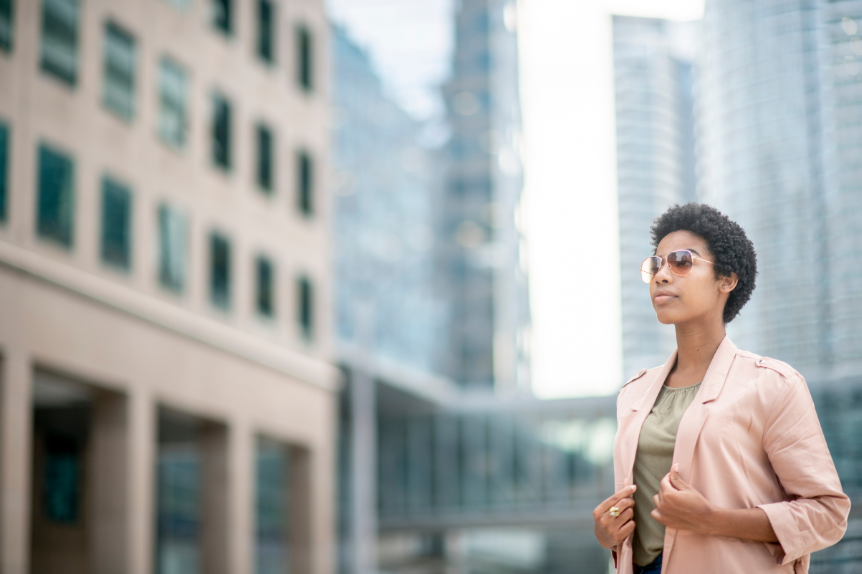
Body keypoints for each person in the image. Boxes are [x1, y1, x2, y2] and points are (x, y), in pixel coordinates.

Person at [593, 203, 850, 573]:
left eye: (681, 261)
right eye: (655, 265)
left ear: (726, 279)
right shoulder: (632, 394)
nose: (662, 275)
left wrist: (712, 518)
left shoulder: (772, 385)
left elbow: (827, 513)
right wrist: (608, 534)